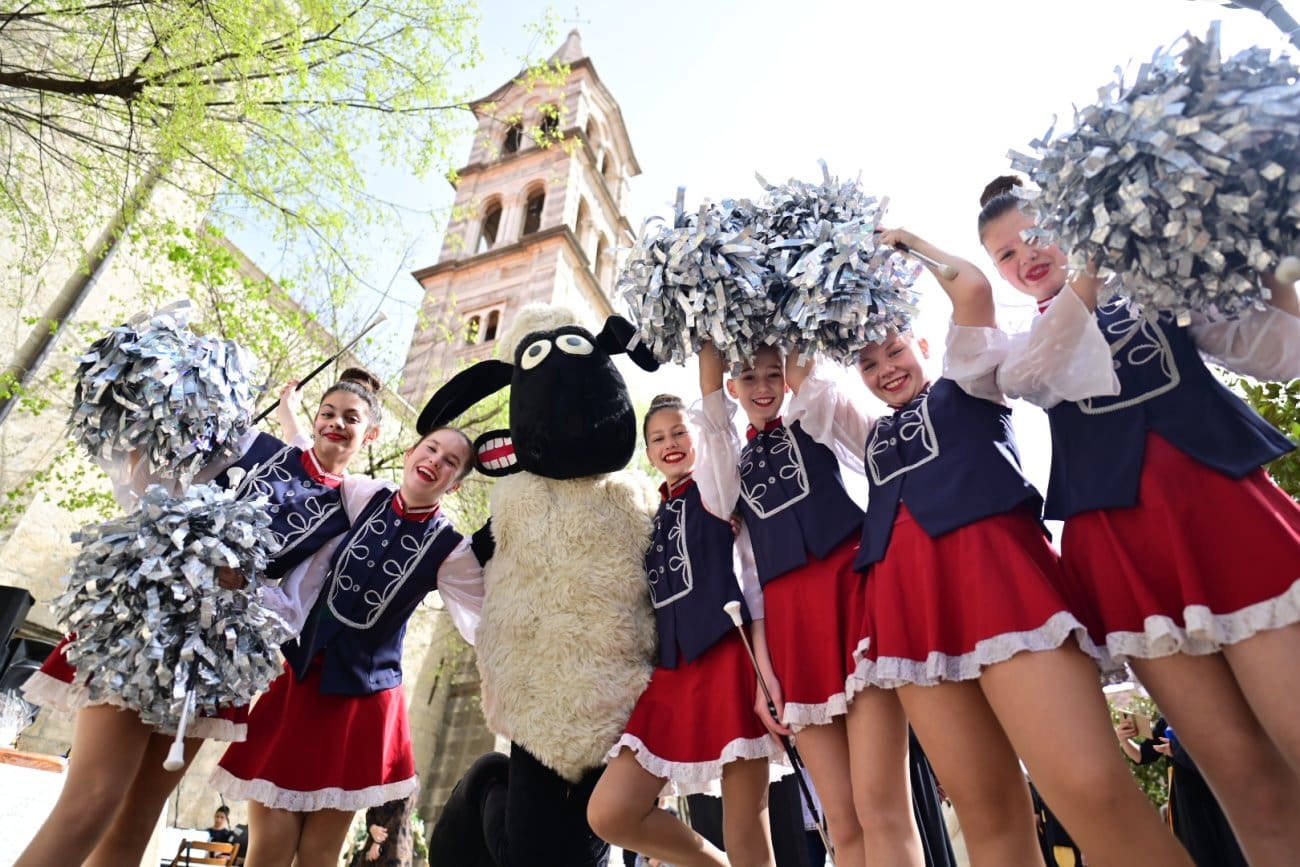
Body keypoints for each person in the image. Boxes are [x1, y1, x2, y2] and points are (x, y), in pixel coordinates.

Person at [798, 226, 1191, 867]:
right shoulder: (867, 434)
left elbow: (973, 291)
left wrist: (907, 244)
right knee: (986, 814)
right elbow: (805, 380)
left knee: (1091, 789)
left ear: (924, 345)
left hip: (1001, 587)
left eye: (895, 350)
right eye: (867, 364)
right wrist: (802, 280)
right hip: (911, 616)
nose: (885, 369)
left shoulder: (973, 377)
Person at [974, 174, 1300, 867]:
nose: (1026, 256)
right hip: (1126, 554)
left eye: (1036, 234)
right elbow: (1036, 379)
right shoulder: (1021, 345)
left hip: (1227, 518)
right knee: (1244, 782)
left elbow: (1280, 354)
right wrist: (1089, 276)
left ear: (1072, 224)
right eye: (1005, 254)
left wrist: (1274, 263)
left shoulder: (1156, 283)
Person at [15, 369, 385, 867]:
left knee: (138, 818)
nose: (336, 423)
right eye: (328, 412)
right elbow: (161, 487)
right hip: (148, 620)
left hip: (215, 659)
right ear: (315, 419)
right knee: (93, 800)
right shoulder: (254, 445)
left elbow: (294, 608)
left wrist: (243, 585)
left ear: (370, 435)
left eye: (351, 418)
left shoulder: (345, 517)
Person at [212, 423, 483, 867]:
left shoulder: (452, 551)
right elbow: (314, 462)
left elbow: (489, 618)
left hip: (362, 701)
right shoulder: (361, 494)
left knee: (319, 854)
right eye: (431, 449)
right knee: (268, 845)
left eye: (450, 461)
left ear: (455, 485)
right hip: (300, 679)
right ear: (410, 453)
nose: (435, 461)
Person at [706, 341, 925, 867]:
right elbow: (751, 579)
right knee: (842, 822)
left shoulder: (815, 418)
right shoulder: (729, 468)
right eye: (748, 377)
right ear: (733, 388)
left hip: (852, 604)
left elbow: (813, 379)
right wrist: (764, 674)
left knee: (881, 808)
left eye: (772, 374)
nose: (762, 387)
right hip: (791, 633)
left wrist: (793, 320)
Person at [587, 389, 778, 867]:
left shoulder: (715, 489)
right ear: (649, 453)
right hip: (671, 674)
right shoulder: (648, 520)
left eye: (678, 432)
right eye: (657, 438)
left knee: (746, 828)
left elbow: (717, 425)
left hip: (729, 660)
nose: (669, 443)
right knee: (610, 813)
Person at [1116, 715, 1248, 867]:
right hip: (1188, 803)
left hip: (1220, 797)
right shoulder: (1168, 720)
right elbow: (1142, 756)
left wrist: (1177, 750)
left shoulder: (1216, 713)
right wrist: (1124, 740)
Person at [347, 795, 416, 867]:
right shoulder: (381, 789)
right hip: (374, 838)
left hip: (396, 843)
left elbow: (400, 816)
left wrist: (378, 842)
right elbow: (371, 810)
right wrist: (372, 827)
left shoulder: (408, 788)